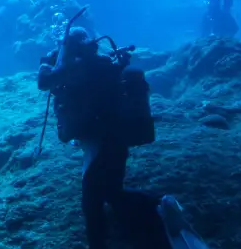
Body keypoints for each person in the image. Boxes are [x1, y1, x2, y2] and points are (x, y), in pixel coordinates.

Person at [38, 27, 208, 249]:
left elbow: (44, 82)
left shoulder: (77, 67)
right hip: (116, 139)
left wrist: (47, 63)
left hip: (100, 142)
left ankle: (153, 209)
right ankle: (158, 210)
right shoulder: (105, 63)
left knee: (92, 204)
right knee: (112, 193)